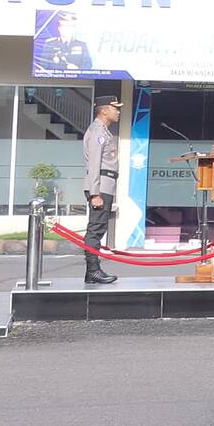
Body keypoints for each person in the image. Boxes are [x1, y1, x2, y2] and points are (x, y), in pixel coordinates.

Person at [79, 97, 123, 285]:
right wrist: (95, 193)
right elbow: (94, 163)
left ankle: (94, 270)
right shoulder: (97, 132)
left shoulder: (104, 132)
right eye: (115, 108)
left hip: (106, 184)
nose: (118, 112)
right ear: (104, 111)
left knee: (100, 226)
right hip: (100, 186)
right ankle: (93, 270)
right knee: (96, 228)